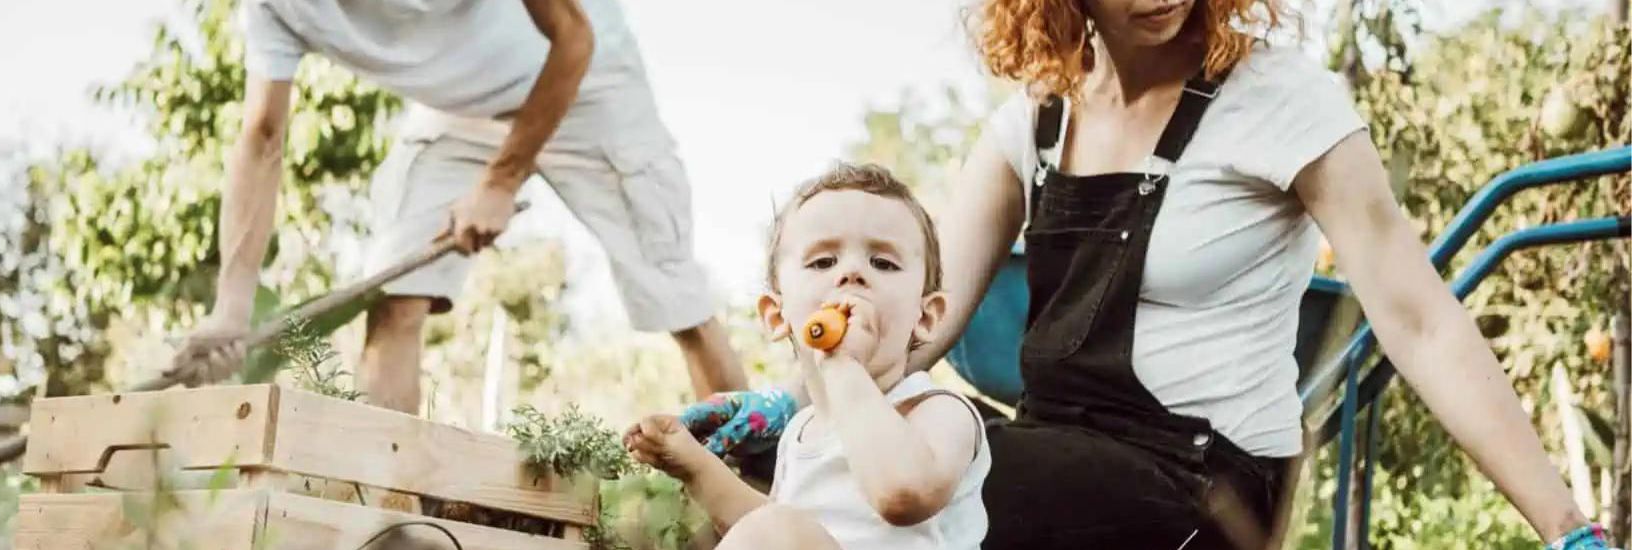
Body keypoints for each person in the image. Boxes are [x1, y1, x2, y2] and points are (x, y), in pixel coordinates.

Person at [678, 1, 1614, 548]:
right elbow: (915, 327)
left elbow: (1419, 321)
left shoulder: (1280, 102)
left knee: (920, 489)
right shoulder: (1030, 126)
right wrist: (791, 408)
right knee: (830, 470)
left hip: (1205, 484)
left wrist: (1569, 527)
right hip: (1051, 453)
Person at [173, 0, 746, 413]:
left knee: (675, 298)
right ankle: (392, 515)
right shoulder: (274, 8)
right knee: (395, 297)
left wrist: (502, 180)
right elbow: (262, 136)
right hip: (460, 109)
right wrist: (232, 307)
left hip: (590, 82)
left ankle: (763, 493)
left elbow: (573, 38)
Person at [628, 164, 989, 549]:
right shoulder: (799, 435)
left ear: (926, 316)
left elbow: (902, 495)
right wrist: (695, 468)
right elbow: (767, 531)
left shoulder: (940, 412)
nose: (852, 274)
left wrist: (844, 364)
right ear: (776, 314)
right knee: (770, 525)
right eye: (823, 262)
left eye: (882, 263)